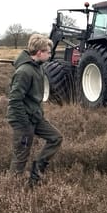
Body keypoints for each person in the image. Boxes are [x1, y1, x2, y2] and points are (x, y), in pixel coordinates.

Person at [6, 33, 63, 186]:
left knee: (56, 137)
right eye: (48, 52)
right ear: (39, 52)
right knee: (21, 156)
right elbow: (15, 100)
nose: (50, 55)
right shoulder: (24, 71)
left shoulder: (37, 67)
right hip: (23, 121)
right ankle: (10, 190)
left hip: (35, 117)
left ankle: (36, 172)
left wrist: (36, 116)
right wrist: (25, 124)